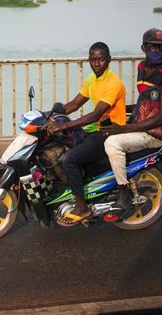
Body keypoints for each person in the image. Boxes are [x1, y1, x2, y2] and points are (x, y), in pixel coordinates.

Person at [101, 28, 162, 221]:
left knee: (113, 143)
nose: (157, 51)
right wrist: (112, 108)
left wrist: (124, 128)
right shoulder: (141, 68)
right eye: (152, 47)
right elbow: (145, 102)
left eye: (161, 47)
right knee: (97, 133)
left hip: (155, 133)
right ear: (144, 47)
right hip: (141, 125)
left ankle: (123, 193)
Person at [48, 42, 126, 227]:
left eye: (100, 59)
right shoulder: (92, 79)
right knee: (61, 146)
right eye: (93, 59)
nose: (96, 63)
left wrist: (64, 125)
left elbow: (96, 114)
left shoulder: (113, 82)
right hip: (93, 130)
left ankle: (81, 207)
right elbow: (74, 104)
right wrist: (49, 115)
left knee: (68, 159)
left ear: (108, 59)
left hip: (108, 133)